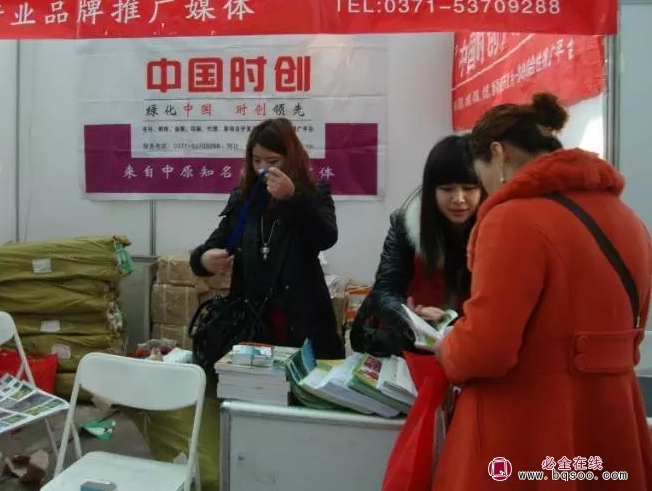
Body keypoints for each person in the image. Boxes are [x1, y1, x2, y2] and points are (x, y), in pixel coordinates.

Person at [433, 94, 652, 490]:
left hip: (527, 430)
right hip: (612, 422)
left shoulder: (512, 219)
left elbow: (486, 349)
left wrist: (446, 347)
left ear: (497, 154)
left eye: (480, 174)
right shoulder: (629, 220)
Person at [190, 118, 344, 359]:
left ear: (291, 158)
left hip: (302, 321)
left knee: (301, 379)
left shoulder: (314, 193)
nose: (262, 169)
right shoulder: (244, 198)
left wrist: (292, 197)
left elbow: (325, 237)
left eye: (272, 162)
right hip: (250, 324)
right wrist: (204, 259)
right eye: (256, 161)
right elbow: (214, 244)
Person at [350, 135, 481, 356]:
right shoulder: (406, 224)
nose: (459, 198)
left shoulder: (495, 231)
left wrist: (450, 322)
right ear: (431, 190)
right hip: (405, 344)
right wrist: (409, 317)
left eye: (469, 188)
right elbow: (385, 290)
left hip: (465, 345)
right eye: (447, 189)